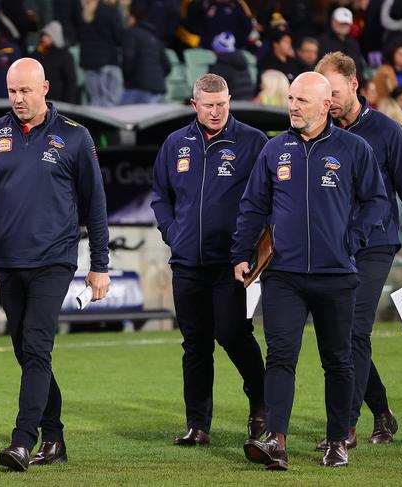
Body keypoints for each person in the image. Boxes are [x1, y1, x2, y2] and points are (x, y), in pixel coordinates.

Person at [0, 58, 110, 472]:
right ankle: (54, 437)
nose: (18, 99)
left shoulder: (75, 137)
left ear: (45, 88)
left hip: (53, 261)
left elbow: (95, 204)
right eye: (12, 91)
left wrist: (99, 264)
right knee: (26, 351)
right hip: (7, 261)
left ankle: (23, 441)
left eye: (25, 91)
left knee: (37, 346)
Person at [233, 71, 387, 470]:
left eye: (302, 100)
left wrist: (351, 241)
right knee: (280, 356)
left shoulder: (354, 148)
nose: (293, 106)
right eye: (290, 98)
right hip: (283, 274)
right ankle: (276, 440)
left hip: (336, 275)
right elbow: (253, 205)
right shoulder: (273, 150)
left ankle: (338, 440)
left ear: (325, 106)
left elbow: (376, 202)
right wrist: (241, 253)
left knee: (337, 360)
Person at [314, 51, 402, 450]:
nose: (326, 100)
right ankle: (381, 411)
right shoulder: (319, 131)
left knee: (353, 330)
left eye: (332, 91)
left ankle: (344, 428)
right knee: (341, 336)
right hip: (333, 246)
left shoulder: (387, 131)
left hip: (376, 243)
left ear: (353, 85)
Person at [151, 73, 267, 448]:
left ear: (229, 100)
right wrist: (172, 232)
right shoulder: (175, 144)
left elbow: (267, 200)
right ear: (194, 105)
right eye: (209, 105)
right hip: (186, 263)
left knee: (233, 334)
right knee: (195, 343)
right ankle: (198, 425)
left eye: (222, 104)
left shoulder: (252, 142)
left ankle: (261, 404)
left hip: (232, 263)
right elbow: (160, 195)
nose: (216, 112)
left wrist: (250, 247)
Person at [120, 1, 170, 104]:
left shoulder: (131, 33)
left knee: (121, 115)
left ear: (133, 18)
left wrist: (128, 80)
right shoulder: (154, 36)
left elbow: (128, 59)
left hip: (139, 87)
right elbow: (167, 66)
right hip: (158, 88)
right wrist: (156, 78)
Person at [78, 0, 124, 106]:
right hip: (108, 60)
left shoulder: (82, 12)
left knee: (95, 101)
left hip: (88, 62)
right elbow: (119, 36)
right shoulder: (110, 10)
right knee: (111, 102)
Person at [31, 21, 78, 104]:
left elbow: (70, 81)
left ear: (55, 36)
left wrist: (68, 103)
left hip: (59, 101)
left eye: (47, 36)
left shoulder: (64, 56)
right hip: (41, 100)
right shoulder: (37, 53)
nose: (43, 38)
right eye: (43, 35)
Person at [317, 7, 366, 81]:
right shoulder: (322, 42)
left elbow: (359, 66)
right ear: (333, 21)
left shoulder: (353, 43)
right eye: (341, 22)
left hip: (353, 85)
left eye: (346, 23)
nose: (343, 25)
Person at [208, 32, 254, 101]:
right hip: (247, 104)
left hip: (232, 107)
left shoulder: (219, 68)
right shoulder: (242, 62)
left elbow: (206, 92)